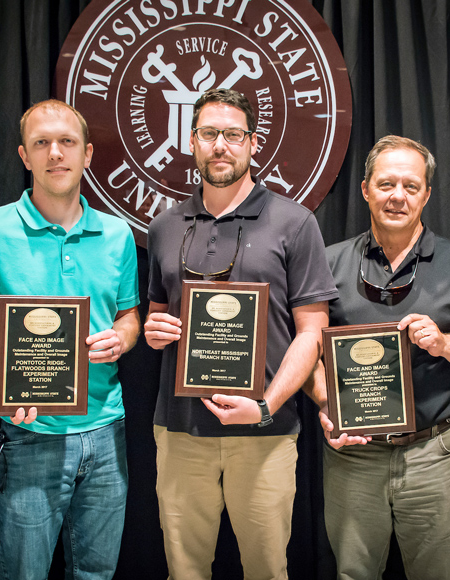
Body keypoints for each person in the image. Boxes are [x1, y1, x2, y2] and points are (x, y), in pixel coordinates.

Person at [143, 88, 338, 579]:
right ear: (192, 141)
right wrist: (153, 330)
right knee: (183, 571)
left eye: (232, 135)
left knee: (268, 571)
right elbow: (155, 315)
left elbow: (313, 332)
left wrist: (267, 405)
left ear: (252, 143)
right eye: (209, 134)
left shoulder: (295, 223)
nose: (220, 146)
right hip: (180, 429)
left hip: (265, 432)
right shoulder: (165, 225)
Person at [0, 100, 140, 580]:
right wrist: (11, 372)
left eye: (67, 142)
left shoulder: (117, 234)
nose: (56, 154)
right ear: (24, 155)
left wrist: (120, 338)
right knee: (23, 573)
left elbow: (128, 316)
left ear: (88, 154)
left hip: (106, 433)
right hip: (29, 434)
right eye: (42, 143)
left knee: (98, 573)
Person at [305, 135, 450, 579]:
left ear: (427, 194)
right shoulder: (329, 262)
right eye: (387, 184)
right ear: (365, 189)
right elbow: (307, 351)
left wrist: (446, 344)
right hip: (354, 454)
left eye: (411, 186)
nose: (398, 196)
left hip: (435, 452)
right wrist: (325, 405)